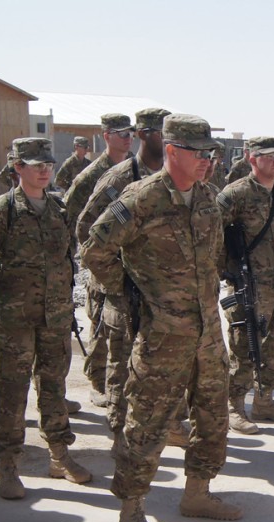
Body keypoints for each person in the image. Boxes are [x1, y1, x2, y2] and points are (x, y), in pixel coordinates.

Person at [81, 113, 239, 522]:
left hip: (207, 332)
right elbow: (94, 250)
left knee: (212, 416)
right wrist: (130, 294)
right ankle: (131, 510)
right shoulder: (141, 199)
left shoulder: (208, 198)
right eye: (199, 152)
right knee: (147, 423)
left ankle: (197, 493)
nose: (208, 160)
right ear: (172, 152)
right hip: (162, 335)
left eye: (211, 152)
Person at [0, 138, 92, 500]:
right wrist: (6, 290)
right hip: (14, 322)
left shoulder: (57, 208)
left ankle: (59, 455)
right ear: (17, 167)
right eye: (35, 164)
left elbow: (68, 257)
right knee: (10, 392)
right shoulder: (2, 209)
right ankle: (8, 465)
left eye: (48, 164)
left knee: (54, 388)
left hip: (54, 319)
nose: (44, 169)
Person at [76, 107, 172, 437]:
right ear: (143, 134)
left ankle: (163, 425)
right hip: (121, 290)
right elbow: (86, 229)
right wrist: (118, 278)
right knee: (120, 365)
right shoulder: (119, 178)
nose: (167, 141)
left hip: (160, 292)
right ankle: (121, 435)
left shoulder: (175, 178)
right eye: (161, 133)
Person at [215, 136, 274, 433]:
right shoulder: (234, 195)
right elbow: (211, 236)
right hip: (247, 286)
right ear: (252, 158)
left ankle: (265, 400)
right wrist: (227, 272)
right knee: (244, 345)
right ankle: (234, 405)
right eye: (270, 156)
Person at [66, 113, 134, 408]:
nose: (126, 138)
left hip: (131, 263)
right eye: (120, 133)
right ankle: (97, 381)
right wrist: (88, 255)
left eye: (130, 132)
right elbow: (72, 216)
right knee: (100, 326)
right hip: (103, 261)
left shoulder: (136, 168)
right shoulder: (92, 175)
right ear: (105, 135)